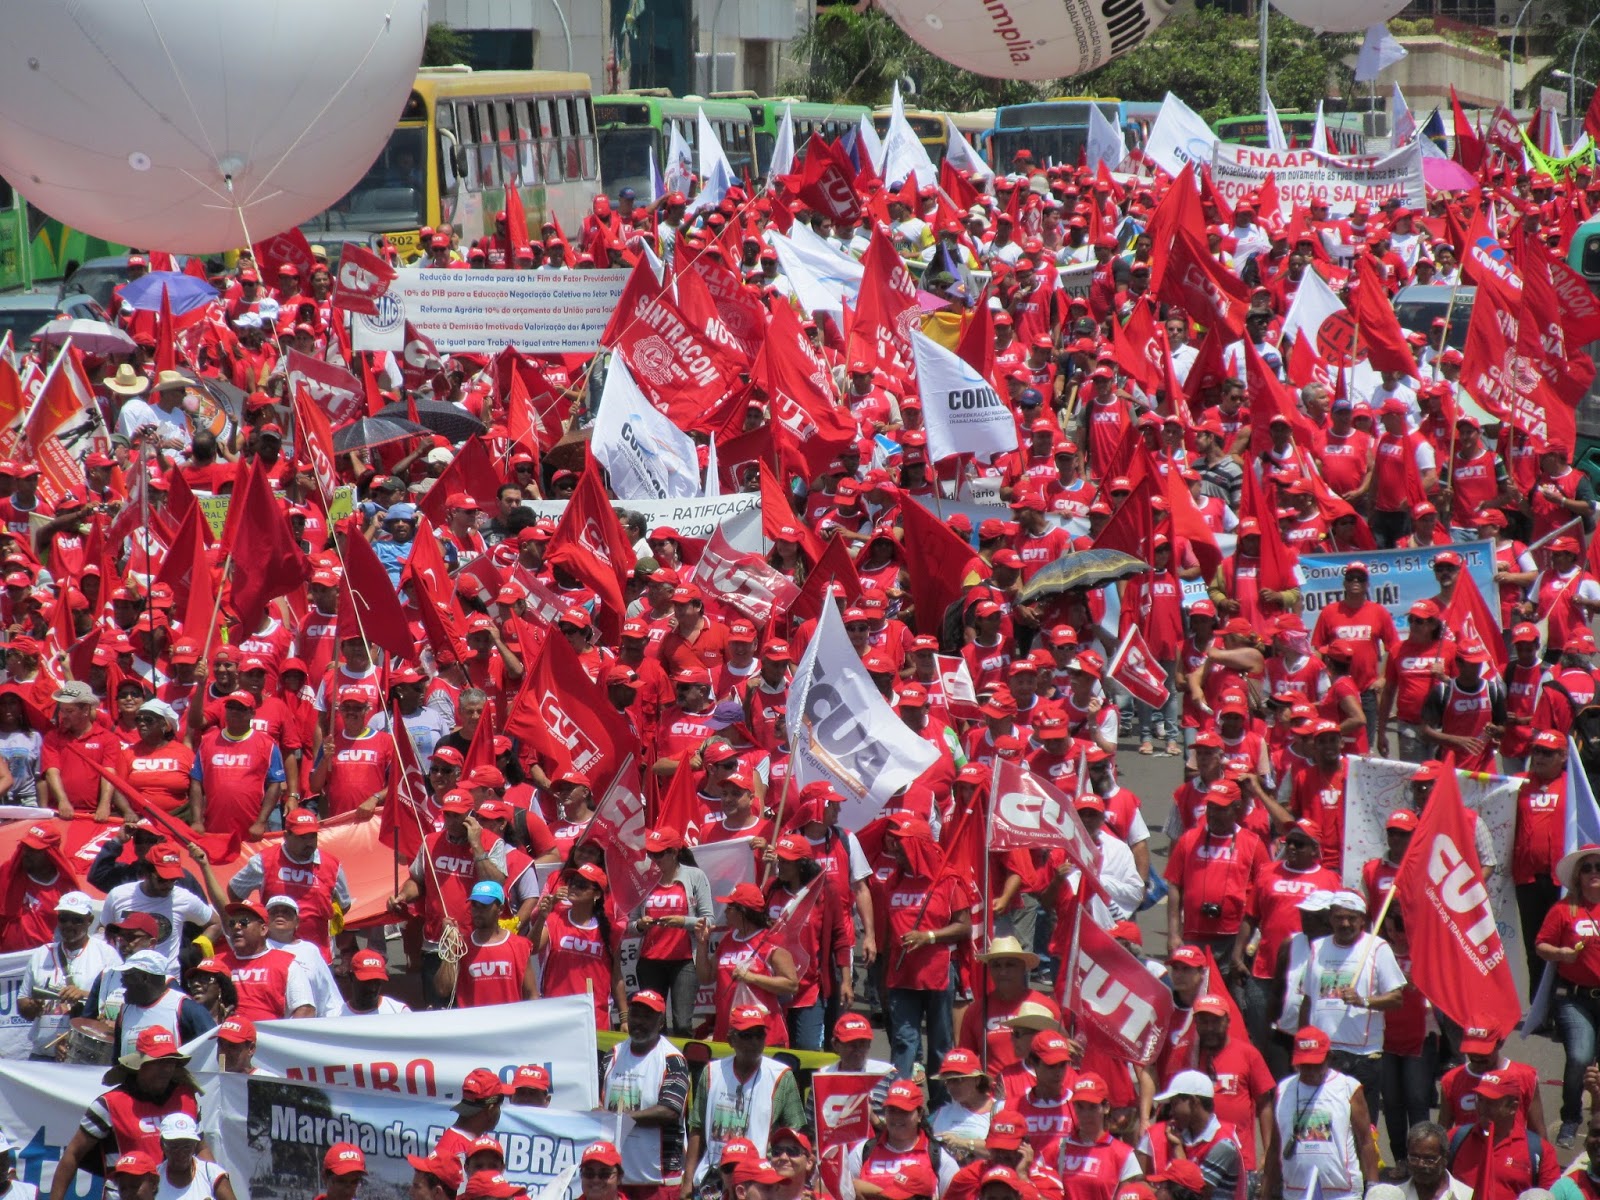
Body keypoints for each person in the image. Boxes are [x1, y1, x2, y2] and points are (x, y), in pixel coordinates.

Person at [50, 1026, 202, 1200]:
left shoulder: (186, 1098)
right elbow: (73, 1153)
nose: (166, 1069)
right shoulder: (108, 1104)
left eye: (170, 1062)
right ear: (139, 1064)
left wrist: (211, 1184)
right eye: (158, 1062)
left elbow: (201, 1148)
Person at [1295, 891, 1405, 1117]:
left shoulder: (1377, 947)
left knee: (1361, 1124)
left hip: (1362, 1056)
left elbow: (1396, 998)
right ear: (1330, 918)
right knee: (1324, 1118)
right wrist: (1301, 1041)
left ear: (1362, 919)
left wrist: (1363, 1001)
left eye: (1351, 918)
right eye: (1339, 917)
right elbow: (1308, 999)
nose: (1345, 923)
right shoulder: (1317, 947)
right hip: (1322, 1053)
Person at [682, 1004, 805, 1191]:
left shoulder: (781, 1077)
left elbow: (796, 1134)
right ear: (731, 1040)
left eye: (759, 1035)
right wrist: (688, 1179)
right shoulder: (711, 1073)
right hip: (713, 1178)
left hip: (759, 1181)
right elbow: (697, 1128)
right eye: (746, 1036)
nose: (754, 1042)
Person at [1264, 1027, 1376, 1200]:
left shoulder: (1348, 1088)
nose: (1310, 1071)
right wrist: (1266, 1192)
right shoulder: (1283, 1090)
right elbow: (1275, 1147)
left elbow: (1366, 1141)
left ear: (1329, 1058)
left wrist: (1373, 1188)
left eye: (1316, 1064)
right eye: (1304, 1065)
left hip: (1341, 1191)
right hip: (1296, 1190)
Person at [1536, 843, 1600, 1145]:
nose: (1593, 873)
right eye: (1587, 868)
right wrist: (1561, 953)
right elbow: (1541, 946)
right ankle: (1571, 1117)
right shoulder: (1564, 909)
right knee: (1579, 1056)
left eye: (1599, 867)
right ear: (1578, 876)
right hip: (1575, 998)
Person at [601, 989, 691, 1200]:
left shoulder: (673, 1060)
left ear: (661, 1022)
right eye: (635, 1014)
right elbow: (596, 1099)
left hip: (657, 1180)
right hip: (615, 1178)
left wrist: (617, 1119)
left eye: (647, 1016)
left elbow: (669, 1110)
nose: (639, 1022)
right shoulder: (611, 1056)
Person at [16, 891, 122, 1060]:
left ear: (90, 921)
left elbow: (117, 1005)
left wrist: (85, 995)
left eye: (77, 920)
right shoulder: (42, 953)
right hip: (43, 1054)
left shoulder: (107, 955)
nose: (69, 925)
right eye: (63, 918)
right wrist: (33, 1006)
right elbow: (22, 1003)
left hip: (85, 1055)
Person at [629, 830, 715, 1036]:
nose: (654, 859)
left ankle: (682, 1065)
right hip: (650, 961)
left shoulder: (695, 876)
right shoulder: (644, 878)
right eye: (651, 854)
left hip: (684, 961)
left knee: (683, 1023)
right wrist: (640, 925)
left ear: (674, 853)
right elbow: (629, 922)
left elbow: (709, 920)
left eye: (659, 854)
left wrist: (683, 922)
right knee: (650, 1021)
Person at [1443, 1072, 1559, 1200]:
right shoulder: (1456, 1138)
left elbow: (1550, 1195)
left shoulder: (1540, 1150)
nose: (1482, 1108)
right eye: (1480, 1100)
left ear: (1513, 1107)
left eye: (1491, 1103)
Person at [1137, 1071, 1242, 1200]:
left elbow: (1195, 1192)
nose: (1171, 1111)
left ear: (1193, 1101)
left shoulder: (1224, 1143)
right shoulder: (1179, 1133)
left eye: (1175, 1104)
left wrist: (1177, 1148)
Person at [153, 1112, 235, 1200]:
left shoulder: (212, 1174)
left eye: (187, 1146)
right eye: (174, 1147)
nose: (181, 1153)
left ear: (195, 1145)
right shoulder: (154, 1178)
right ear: (162, 1145)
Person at [1398, 1122, 1472, 1200]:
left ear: (1445, 1158)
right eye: (1414, 1157)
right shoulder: (1395, 1196)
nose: (1420, 1164)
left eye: (1429, 1159)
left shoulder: (1468, 1196)